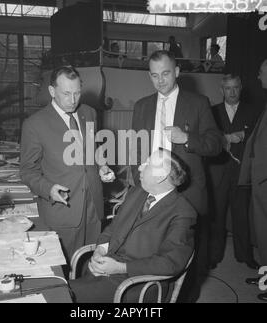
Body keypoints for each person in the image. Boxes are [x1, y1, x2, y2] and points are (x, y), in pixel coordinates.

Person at [131, 50, 223, 302]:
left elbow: (216, 144)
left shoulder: (198, 103)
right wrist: (136, 182)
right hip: (151, 192)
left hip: (187, 193)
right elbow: (135, 151)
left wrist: (187, 139)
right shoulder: (141, 106)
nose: (160, 80)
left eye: (165, 73)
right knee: (151, 255)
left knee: (186, 260)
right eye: (154, 75)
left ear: (177, 72)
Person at [69, 148, 196, 303]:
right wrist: (100, 249)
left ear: (160, 176)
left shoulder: (183, 212)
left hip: (137, 284)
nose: (141, 167)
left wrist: (121, 268)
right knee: (59, 290)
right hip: (107, 269)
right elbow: (113, 228)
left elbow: (170, 263)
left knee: (64, 295)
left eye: (148, 164)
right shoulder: (136, 193)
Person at [20, 65, 114, 262]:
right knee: (65, 272)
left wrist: (102, 165)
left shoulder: (89, 113)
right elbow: (28, 171)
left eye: (77, 93)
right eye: (66, 93)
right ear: (52, 91)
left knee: (93, 268)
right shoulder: (34, 124)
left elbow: (93, 148)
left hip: (94, 208)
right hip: (63, 210)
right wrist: (48, 189)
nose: (73, 100)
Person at [207, 74, 258, 269]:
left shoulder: (253, 111)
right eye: (228, 88)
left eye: (235, 87)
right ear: (221, 90)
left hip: (241, 172)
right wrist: (223, 139)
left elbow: (257, 137)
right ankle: (214, 256)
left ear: (241, 88)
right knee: (217, 216)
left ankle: (245, 255)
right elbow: (207, 137)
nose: (232, 92)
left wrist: (243, 135)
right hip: (218, 172)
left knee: (241, 215)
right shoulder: (212, 112)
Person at [239, 59, 267, 301]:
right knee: (263, 233)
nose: (258, 77)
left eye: (261, 72)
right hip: (260, 181)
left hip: (265, 180)